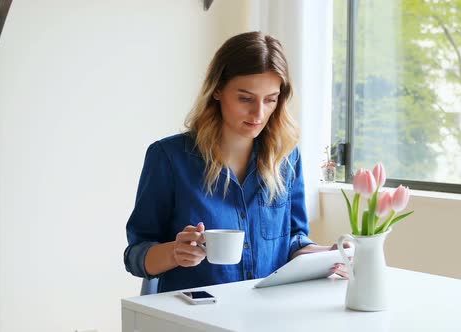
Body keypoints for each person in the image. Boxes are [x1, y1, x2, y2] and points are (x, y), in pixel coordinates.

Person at [123, 31, 346, 293]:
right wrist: (175, 252)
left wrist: (329, 255)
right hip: (194, 316)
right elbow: (135, 255)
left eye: (270, 100)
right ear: (217, 89)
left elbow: (293, 241)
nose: (259, 113)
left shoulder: (285, 157)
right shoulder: (169, 158)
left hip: (266, 312)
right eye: (245, 98)